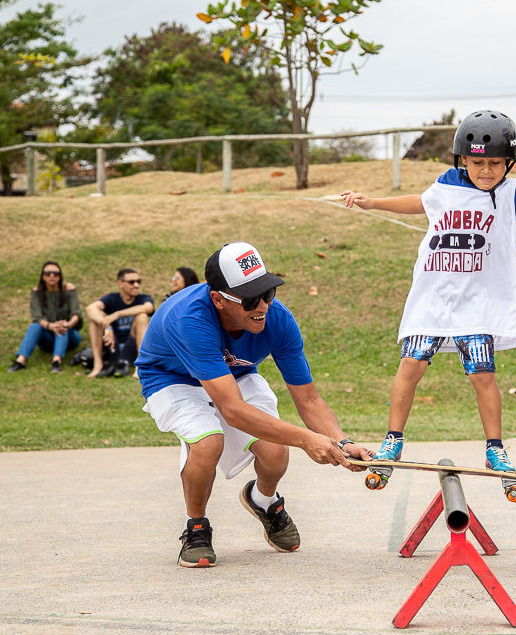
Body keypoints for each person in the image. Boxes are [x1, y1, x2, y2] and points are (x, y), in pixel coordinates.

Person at [341, 110, 516, 476]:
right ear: (463, 160)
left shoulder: (511, 191)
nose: (486, 171)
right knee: (411, 364)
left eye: (496, 164)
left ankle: (494, 449)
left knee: (482, 375)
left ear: (510, 162)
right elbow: (420, 203)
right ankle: (393, 440)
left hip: (478, 304)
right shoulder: (446, 185)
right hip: (434, 298)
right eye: (476, 163)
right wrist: (372, 202)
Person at [135, 241, 373, 568]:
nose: (262, 305)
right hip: (172, 378)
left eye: (267, 292)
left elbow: (308, 398)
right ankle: (197, 527)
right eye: (250, 299)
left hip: (234, 372)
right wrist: (307, 439)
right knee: (208, 441)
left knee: (276, 452)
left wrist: (341, 442)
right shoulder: (190, 319)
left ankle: (264, 501)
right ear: (218, 299)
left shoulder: (279, 320)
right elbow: (231, 410)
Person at [8, 261, 82, 374]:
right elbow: (37, 316)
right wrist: (51, 326)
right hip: (47, 338)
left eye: (55, 273)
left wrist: (68, 324)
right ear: (43, 276)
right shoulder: (36, 292)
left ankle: (56, 362)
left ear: (60, 276)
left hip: (69, 336)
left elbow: (76, 313)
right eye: (48, 273)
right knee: (35, 325)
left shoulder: (68, 288)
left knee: (62, 327)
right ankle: (21, 360)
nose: (52, 276)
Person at [85, 268, 154, 378]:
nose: (136, 285)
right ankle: (98, 365)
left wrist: (118, 314)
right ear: (120, 283)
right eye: (131, 282)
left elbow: (149, 308)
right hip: (112, 345)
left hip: (132, 347)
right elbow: (90, 308)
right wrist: (107, 326)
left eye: (138, 281)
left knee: (142, 316)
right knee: (95, 320)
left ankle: (140, 367)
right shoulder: (112, 298)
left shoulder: (143, 298)